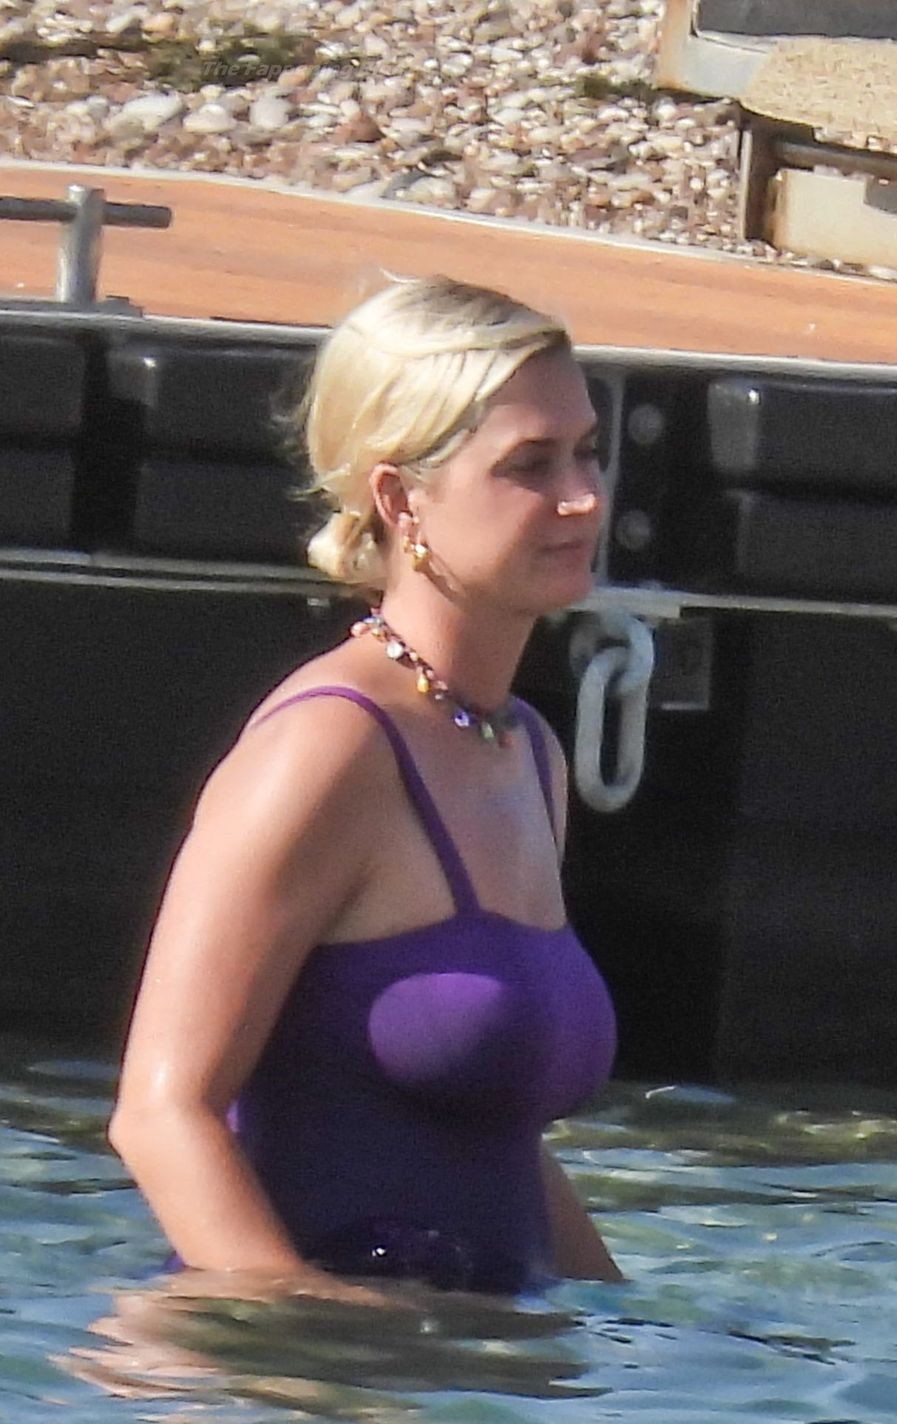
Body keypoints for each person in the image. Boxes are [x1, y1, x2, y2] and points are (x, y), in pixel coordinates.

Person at [109, 274, 623, 1295]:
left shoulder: (525, 752)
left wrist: (627, 1330)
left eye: (588, 451)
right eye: (530, 465)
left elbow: (496, 1140)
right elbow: (162, 1115)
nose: (584, 498)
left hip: (464, 1369)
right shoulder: (328, 750)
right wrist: (310, 1342)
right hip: (297, 1377)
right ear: (400, 499)